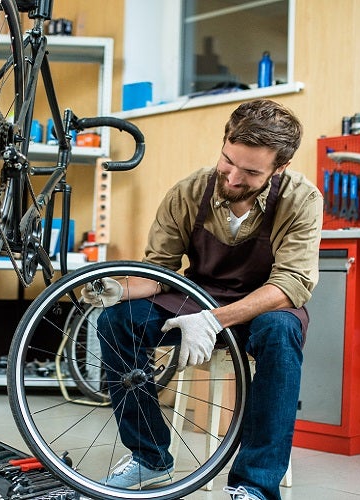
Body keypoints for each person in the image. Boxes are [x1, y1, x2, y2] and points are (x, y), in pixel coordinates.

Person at [81, 99, 322, 500]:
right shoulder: (189, 192)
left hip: (266, 304)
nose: (232, 176)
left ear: (280, 167)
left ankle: (255, 485)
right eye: (228, 160)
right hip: (196, 296)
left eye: (250, 172)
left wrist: (215, 320)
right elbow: (158, 272)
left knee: (281, 335)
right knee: (116, 322)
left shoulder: (301, 200)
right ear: (225, 141)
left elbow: (291, 285)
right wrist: (116, 288)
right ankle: (150, 457)